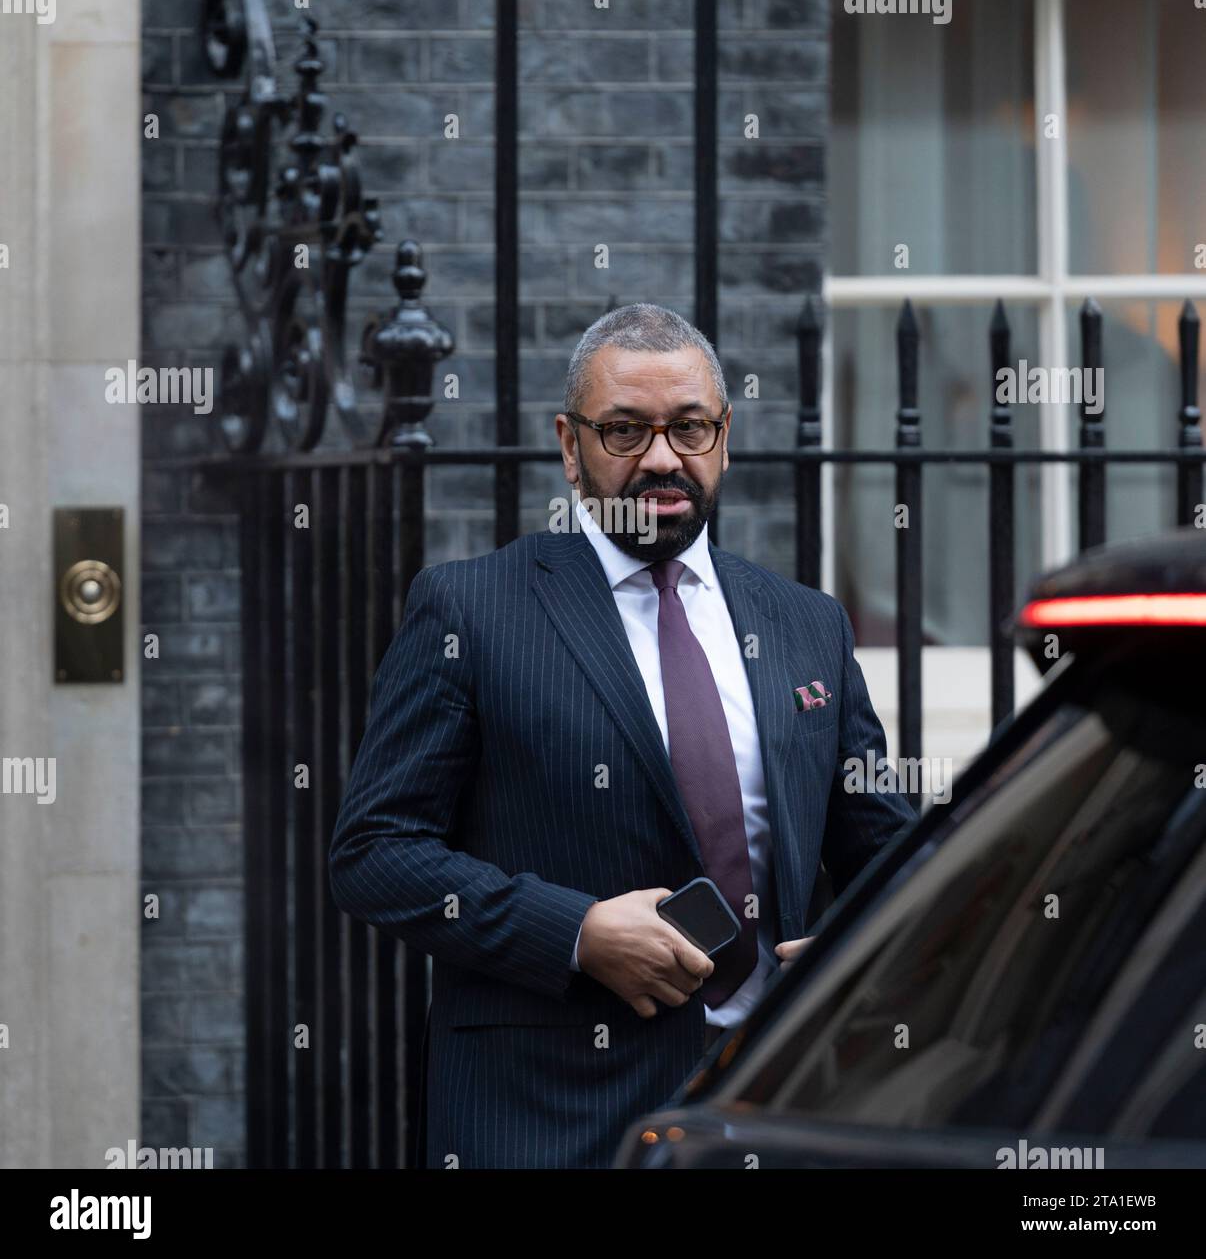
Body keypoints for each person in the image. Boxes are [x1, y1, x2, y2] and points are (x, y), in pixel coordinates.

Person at [328, 302, 916, 1168]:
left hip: (769, 1113)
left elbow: (887, 850)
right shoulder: (473, 609)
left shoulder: (805, 625)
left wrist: (861, 949)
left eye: (690, 428)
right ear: (570, 445)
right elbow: (373, 852)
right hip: (548, 1121)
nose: (663, 459)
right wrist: (576, 931)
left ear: (725, 436)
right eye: (625, 432)